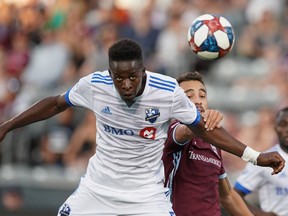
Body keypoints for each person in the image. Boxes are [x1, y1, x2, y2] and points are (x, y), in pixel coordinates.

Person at [0, 39, 284, 216]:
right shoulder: (95, 85)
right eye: (119, 78)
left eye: (132, 77)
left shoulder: (167, 91)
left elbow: (201, 128)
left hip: (146, 196)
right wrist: (8, 126)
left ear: (143, 70)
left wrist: (254, 156)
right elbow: (55, 103)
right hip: (98, 189)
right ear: (110, 73)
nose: (125, 85)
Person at [162, 71, 253, 216]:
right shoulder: (172, 130)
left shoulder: (214, 142)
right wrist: (255, 156)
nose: (198, 101)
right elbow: (186, 131)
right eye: (189, 96)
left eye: (202, 96)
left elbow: (227, 196)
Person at [234, 107, 288, 216]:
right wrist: (259, 214)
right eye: (283, 124)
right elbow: (234, 196)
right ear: (275, 128)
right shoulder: (265, 159)